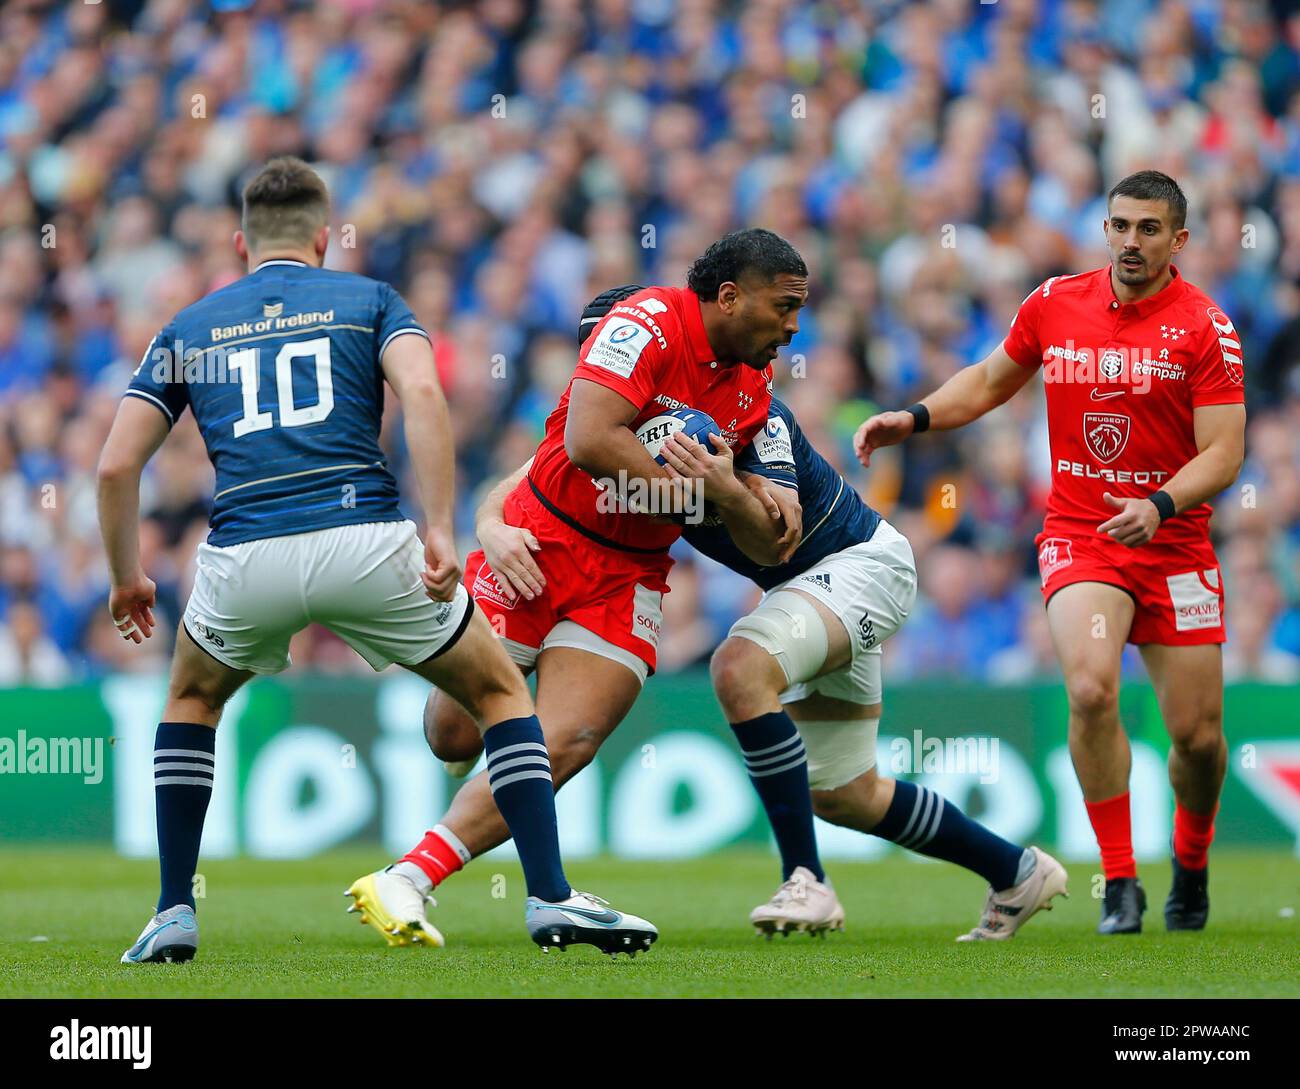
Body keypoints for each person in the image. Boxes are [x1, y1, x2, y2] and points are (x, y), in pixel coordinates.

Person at [97, 156, 654, 962]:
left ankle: (174, 910)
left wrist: (127, 575)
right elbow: (424, 397)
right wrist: (438, 526)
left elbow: (116, 465)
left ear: (240, 240)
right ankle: (549, 897)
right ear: (325, 236)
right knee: (500, 692)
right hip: (365, 538)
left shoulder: (191, 326)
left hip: (244, 550)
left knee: (191, 702)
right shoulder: (370, 300)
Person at [447, 284, 1069, 942]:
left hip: (860, 567)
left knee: (739, 667)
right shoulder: (605, 423)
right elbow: (524, 480)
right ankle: (1017, 869)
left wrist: (722, 488)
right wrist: (489, 524)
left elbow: (782, 534)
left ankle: (807, 879)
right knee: (846, 794)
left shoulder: (747, 415)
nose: (599, 373)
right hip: (803, 595)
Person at [353, 231, 808, 942]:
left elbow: (770, 543)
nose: (793, 326)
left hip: (627, 576)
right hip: (537, 542)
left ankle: (409, 876)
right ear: (730, 297)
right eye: (783, 307)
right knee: (452, 734)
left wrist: (732, 493)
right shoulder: (645, 321)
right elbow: (586, 441)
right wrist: (687, 497)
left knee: (565, 739)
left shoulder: (757, 386)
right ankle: (516, 882)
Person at [855, 170, 1246, 934]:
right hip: (1083, 535)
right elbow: (992, 379)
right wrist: (916, 416)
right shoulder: (1054, 302)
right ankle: (1123, 881)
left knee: (1198, 740)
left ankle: (1191, 865)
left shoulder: (1206, 327)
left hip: (1174, 544)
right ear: (1105, 228)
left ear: (1179, 240)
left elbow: (1225, 452)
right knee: (1093, 690)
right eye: (1119, 225)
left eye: (1148, 229)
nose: (1131, 241)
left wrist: (1161, 502)